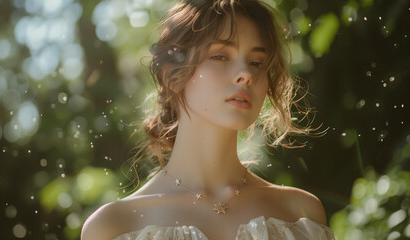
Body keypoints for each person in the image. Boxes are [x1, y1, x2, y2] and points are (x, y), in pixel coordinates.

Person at [81, 0, 335, 239]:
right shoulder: (112, 227)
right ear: (172, 75)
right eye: (220, 56)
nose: (245, 74)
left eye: (257, 62)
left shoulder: (301, 214)